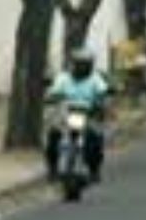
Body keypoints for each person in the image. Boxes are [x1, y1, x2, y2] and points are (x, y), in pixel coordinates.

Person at [44, 45, 114, 178]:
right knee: (53, 136)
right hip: (66, 114)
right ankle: (52, 169)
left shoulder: (95, 79)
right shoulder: (63, 78)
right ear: (72, 64)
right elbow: (53, 92)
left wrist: (105, 98)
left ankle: (94, 169)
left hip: (89, 114)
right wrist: (51, 97)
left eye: (85, 64)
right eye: (79, 64)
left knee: (95, 139)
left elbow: (104, 92)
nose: (82, 67)